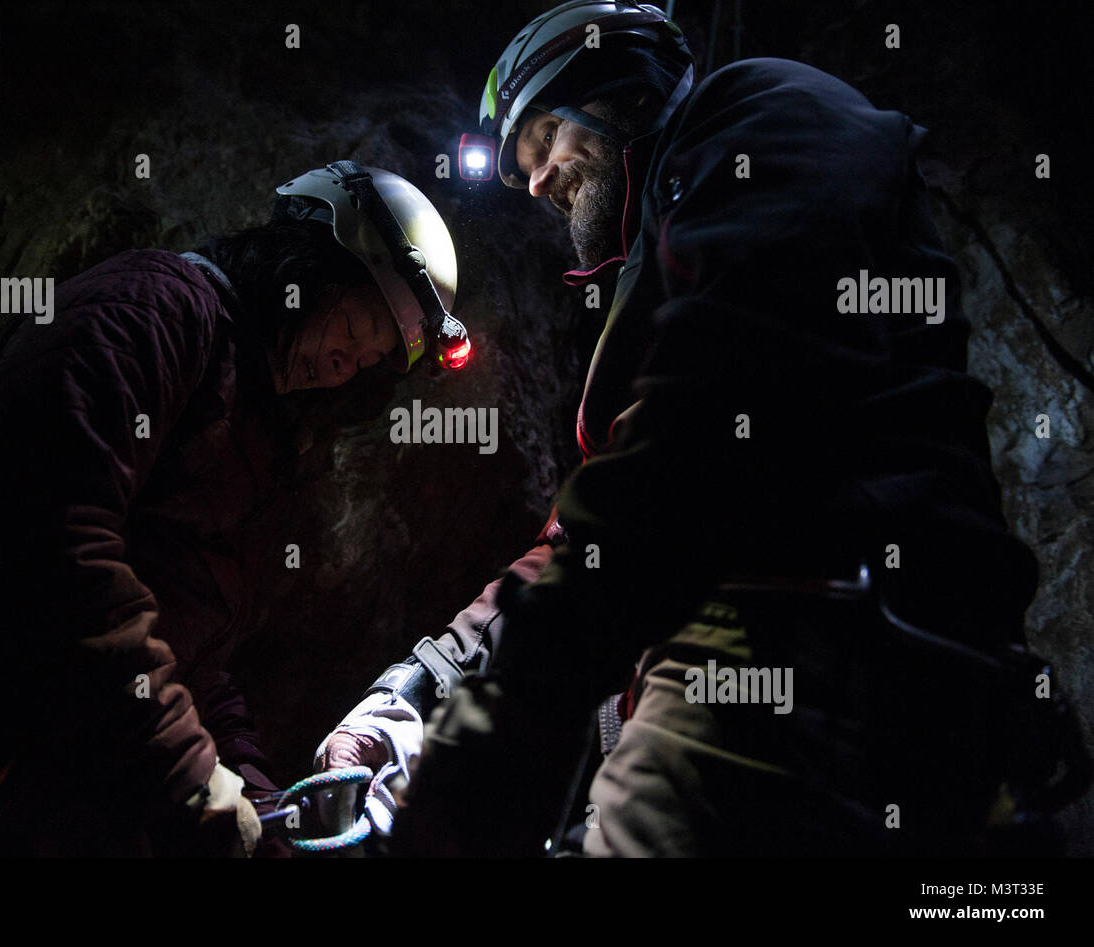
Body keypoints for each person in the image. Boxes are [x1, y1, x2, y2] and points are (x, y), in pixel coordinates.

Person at [318, 1, 1087, 856]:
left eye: (542, 143)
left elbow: (715, 417)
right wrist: (419, 685)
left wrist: (509, 715)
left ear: (613, 91)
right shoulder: (663, 275)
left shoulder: (770, 109)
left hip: (812, 638)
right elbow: (588, 532)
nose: (534, 183)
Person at [0, 161, 462, 856]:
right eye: (355, 326)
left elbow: (194, 654)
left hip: (75, 803)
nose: (343, 365)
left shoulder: (254, 423)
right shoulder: (150, 312)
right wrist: (193, 778)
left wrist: (262, 804)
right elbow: (51, 548)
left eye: (368, 361)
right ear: (310, 262)